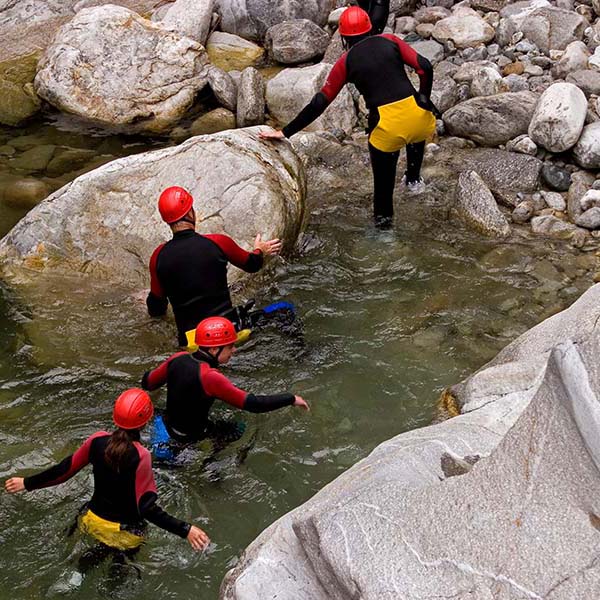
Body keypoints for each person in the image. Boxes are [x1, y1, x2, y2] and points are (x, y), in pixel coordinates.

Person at [259, 6, 436, 229]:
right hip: (420, 118)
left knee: (383, 189)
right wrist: (423, 98)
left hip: (388, 128)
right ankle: (414, 182)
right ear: (370, 28)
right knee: (413, 125)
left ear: (343, 37)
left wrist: (284, 132)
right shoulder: (390, 40)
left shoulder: (346, 61)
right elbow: (425, 67)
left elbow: (320, 102)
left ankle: (384, 232)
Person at [4, 389, 209, 557]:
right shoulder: (141, 455)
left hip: (90, 521)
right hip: (124, 533)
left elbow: (64, 471)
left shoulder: (96, 440)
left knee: (84, 565)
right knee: (116, 577)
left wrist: (27, 483)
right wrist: (185, 529)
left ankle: (74, 579)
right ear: (145, 421)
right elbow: (146, 508)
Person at [141, 316, 309, 455]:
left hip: (165, 428)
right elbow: (254, 404)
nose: (234, 350)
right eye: (230, 346)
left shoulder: (178, 358)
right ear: (214, 350)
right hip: (191, 439)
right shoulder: (210, 377)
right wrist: (291, 398)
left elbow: (148, 382)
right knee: (239, 429)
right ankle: (214, 461)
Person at [147, 186, 283, 346]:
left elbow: (156, 308)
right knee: (284, 309)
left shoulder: (158, 256)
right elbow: (252, 264)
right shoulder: (218, 242)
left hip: (192, 343)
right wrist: (260, 249)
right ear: (190, 212)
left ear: (166, 220)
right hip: (228, 331)